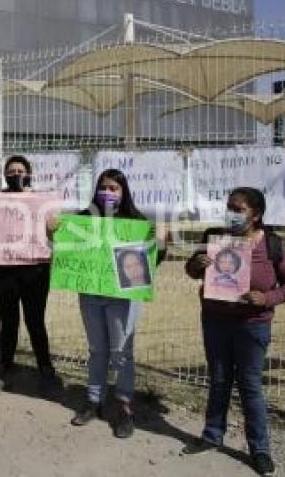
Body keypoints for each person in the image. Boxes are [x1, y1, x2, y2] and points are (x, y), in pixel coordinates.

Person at [183, 187, 285, 477]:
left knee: (250, 386)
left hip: (253, 326)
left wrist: (266, 298)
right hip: (215, 321)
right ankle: (212, 435)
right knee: (219, 380)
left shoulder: (272, 244)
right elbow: (191, 271)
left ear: (256, 214)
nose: (231, 213)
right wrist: (197, 265)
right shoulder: (215, 237)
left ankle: (259, 450)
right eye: (229, 207)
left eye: (239, 209)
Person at [56, 168, 166, 438]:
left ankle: (124, 406)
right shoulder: (83, 220)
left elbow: (150, 262)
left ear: (124, 192)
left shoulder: (136, 221)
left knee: (122, 353)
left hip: (122, 299)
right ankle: (94, 400)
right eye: (103, 188)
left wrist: (160, 245)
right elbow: (65, 250)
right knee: (96, 350)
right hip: (91, 296)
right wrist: (52, 232)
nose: (108, 193)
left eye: (114, 189)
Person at [0, 155, 62, 396]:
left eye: (21, 170)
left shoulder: (41, 202)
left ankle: (46, 370)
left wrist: (53, 227)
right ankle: (4, 371)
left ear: (28, 174)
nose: (16, 174)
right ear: (5, 175)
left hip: (34, 270)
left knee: (35, 321)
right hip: (2, 270)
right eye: (11, 170)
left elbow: (53, 233)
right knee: (9, 322)